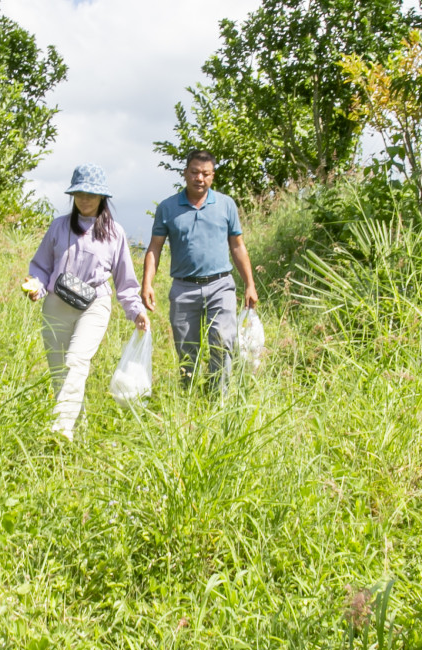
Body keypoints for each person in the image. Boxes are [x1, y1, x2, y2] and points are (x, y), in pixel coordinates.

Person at [22, 164, 149, 440]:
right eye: (79, 193)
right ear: (73, 195)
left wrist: (136, 310)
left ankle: (60, 429)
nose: (85, 199)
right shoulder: (58, 226)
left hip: (94, 304)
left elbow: (125, 281)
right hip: (57, 302)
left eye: (91, 194)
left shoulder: (115, 233)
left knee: (76, 362)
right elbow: (41, 268)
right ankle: (77, 429)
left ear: (102, 197)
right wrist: (36, 286)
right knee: (59, 371)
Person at [142, 150, 258, 393]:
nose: (199, 178)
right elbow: (155, 247)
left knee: (222, 341)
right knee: (186, 348)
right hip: (184, 288)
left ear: (212, 176)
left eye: (205, 174)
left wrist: (250, 284)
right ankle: (188, 397)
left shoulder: (226, 205)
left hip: (221, 285)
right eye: (194, 172)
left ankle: (219, 398)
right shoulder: (168, 208)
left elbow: (237, 246)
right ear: (185, 173)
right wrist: (147, 283)